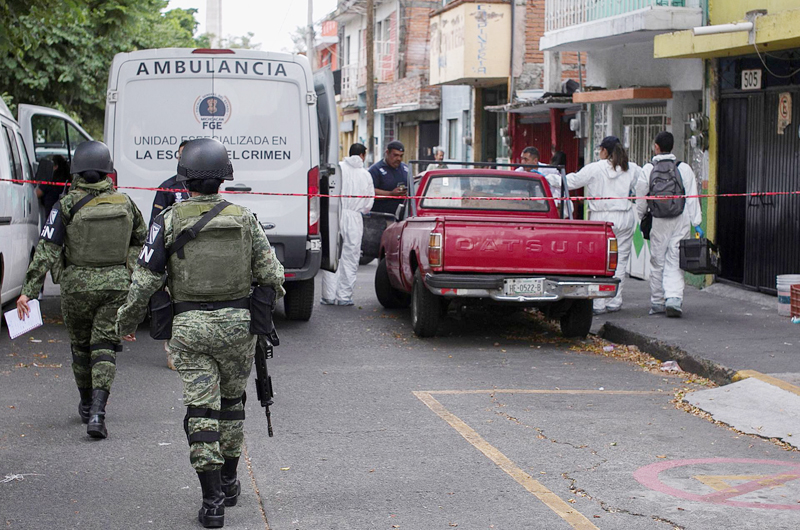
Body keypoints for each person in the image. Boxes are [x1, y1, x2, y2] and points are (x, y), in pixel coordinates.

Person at [115, 138, 285, 528]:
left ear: (184, 178)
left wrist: (124, 322)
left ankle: (212, 503)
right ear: (224, 178)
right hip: (240, 329)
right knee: (232, 404)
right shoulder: (244, 217)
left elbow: (144, 281)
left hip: (189, 330)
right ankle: (229, 479)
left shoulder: (169, 220)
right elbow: (273, 277)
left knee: (201, 410)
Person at [16, 141, 146, 439]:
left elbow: (48, 248)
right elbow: (142, 240)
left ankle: (86, 403)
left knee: (81, 348)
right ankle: (99, 412)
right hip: (115, 286)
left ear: (75, 172)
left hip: (76, 287)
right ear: (107, 171)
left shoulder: (65, 205)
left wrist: (29, 290)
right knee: (104, 346)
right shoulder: (125, 203)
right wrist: (130, 269)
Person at [558, 136, 645, 314]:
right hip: (625, 217)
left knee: (600, 262)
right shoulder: (632, 168)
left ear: (605, 151)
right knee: (620, 262)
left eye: (600, 149)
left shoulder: (595, 168)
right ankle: (614, 301)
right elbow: (642, 186)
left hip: (602, 219)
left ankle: (598, 304)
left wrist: (548, 177)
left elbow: (572, 181)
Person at [637, 131, 702, 318]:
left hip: (658, 220)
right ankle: (673, 299)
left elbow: (641, 197)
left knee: (658, 260)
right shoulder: (684, 168)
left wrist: (641, 215)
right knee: (675, 259)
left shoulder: (648, 169)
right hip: (680, 219)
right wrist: (696, 223)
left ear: (656, 147)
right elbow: (692, 197)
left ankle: (657, 301)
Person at [151, 140, 190, 371]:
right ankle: (172, 352)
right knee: (173, 307)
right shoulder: (167, 187)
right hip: (173, 259)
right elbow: (155, 227)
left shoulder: (203, 187)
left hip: (198, 261)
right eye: (181, 155)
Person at [321, 143, 374, 306]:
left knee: (332, 255)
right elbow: (368, 204)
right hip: (354, 217)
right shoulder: (365, 175)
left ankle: (328, 295)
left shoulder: (337, 169)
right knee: (350, 256)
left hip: (335, 214)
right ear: (363, 155)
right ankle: (344, 296)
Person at [517, 147, 573, 218]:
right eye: (522, 159)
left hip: (547, 208)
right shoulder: (519, 172)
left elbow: (560, 189)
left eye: (526, 159)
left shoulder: (550, 170)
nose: (522, 162)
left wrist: (556, 202)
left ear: (535, 160)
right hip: (524, 208)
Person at [150, 140, 191, 223]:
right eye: (181, 156)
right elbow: (156, 222)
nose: (183, 160)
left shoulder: (204, 185)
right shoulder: (167, 187)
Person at [368, 140, 409, 214]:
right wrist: (390, 194)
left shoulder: (406, 169)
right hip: (381, 216)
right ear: (387, 153)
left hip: (402, 216)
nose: (398, 159)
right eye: (395, 155)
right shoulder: (375, 170)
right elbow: (369, 191)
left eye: (401, 156)